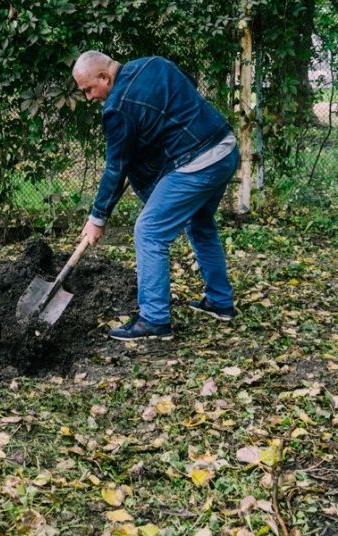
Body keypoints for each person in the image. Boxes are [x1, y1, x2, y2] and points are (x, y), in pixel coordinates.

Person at [73, 51, 239, 341]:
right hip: (225, 149)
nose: (89, 97)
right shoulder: (155, 64)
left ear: (104, 77)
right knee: (200, 224)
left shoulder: (117, 108)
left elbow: (116, 167)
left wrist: (97, 217)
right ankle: (220, 302)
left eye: (89, 89)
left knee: (149, 232)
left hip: (197, 163)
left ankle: (154, 319)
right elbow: (182, 94)